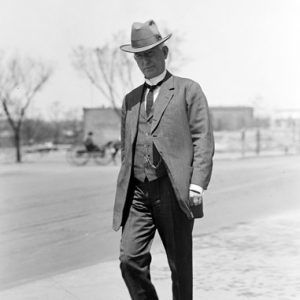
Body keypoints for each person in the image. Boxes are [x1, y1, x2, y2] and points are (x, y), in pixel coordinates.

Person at [113, 20, 214, 300]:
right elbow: (126, 147)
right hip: (138, 195)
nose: (145, 61)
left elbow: (202, 139)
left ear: (165, 52)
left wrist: (196, 185)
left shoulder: (188, 90)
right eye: (139, 56)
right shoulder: (130, 100)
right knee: (129, 260)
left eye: (150, 53)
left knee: (180, 267)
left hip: (173, 190)